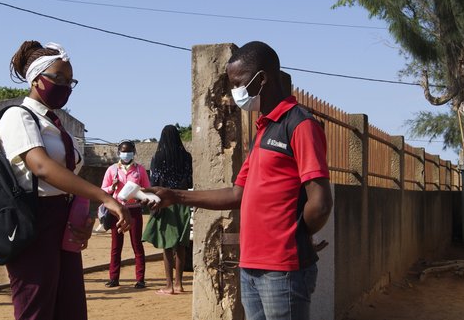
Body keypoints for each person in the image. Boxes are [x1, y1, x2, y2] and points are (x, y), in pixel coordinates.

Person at [146, 41, 333, 319]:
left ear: (263, 78)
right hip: (251, 267)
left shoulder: (300, 124)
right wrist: (176, 196)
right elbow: (237, 194)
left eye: (239, 83)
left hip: (282, 269)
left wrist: (298, 236)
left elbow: (319, 203)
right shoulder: (264, 130)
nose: (235, 93)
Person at [0, 40, 132, 320]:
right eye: (59, 78)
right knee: (36, 310)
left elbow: (71, 176)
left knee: (69, 310)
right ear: (35, 79)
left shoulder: (57, 126)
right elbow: (42, 167)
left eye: (71, 81)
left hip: (63, 222)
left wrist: (82, 216)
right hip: (34, 222)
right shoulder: (18, 117)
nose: (66, 86)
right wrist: (104, 197)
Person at [142, 125, 193, 295]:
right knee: (181, 246)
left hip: (165, 205)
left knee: (167, 246)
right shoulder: (187, 157)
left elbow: (154, 182)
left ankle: (169, 285)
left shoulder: (158, 157)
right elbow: (190, 181)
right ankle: (179, 283)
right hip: (183, 203)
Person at [101, 140, 149, 289]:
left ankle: (140, 279)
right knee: (116, 245)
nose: (125, 153)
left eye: (128, 151)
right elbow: (103, 191)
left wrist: (139, 191)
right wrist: (112, 186)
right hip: (117, 210)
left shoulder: (140, 170)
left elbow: (148, 189)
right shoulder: (112, 170)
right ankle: (114, 278)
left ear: (134, 152)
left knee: (137, 244)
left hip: (134, 209)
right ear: (118, 152)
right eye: (123, 150)